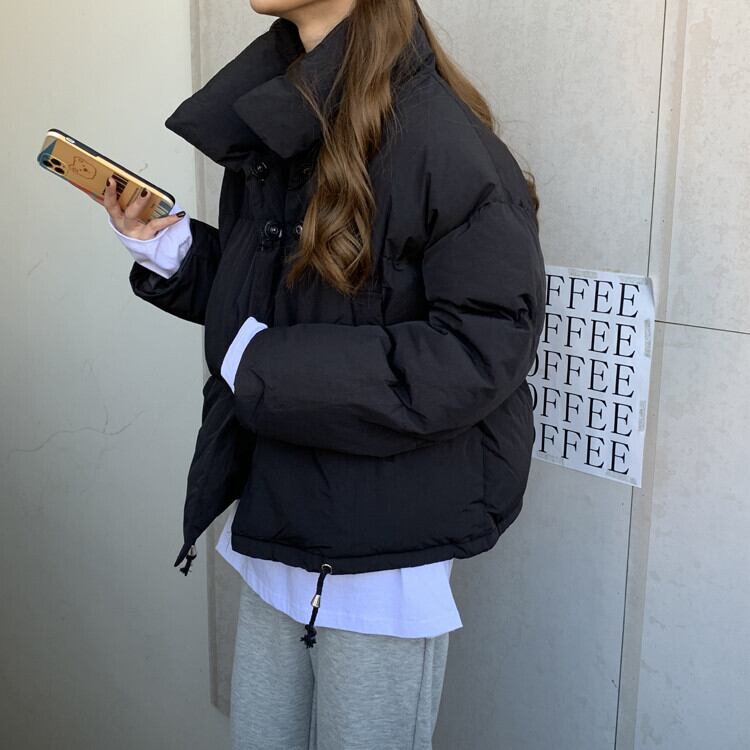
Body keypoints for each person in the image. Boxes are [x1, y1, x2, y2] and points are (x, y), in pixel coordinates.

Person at [102, 0, 546, 747]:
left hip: (383, 560)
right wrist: (171, 251)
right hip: (278, 529)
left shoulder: (441, 139)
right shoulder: (285, 122)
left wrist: (264, 366)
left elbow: (482, 347)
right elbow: (275, 303)